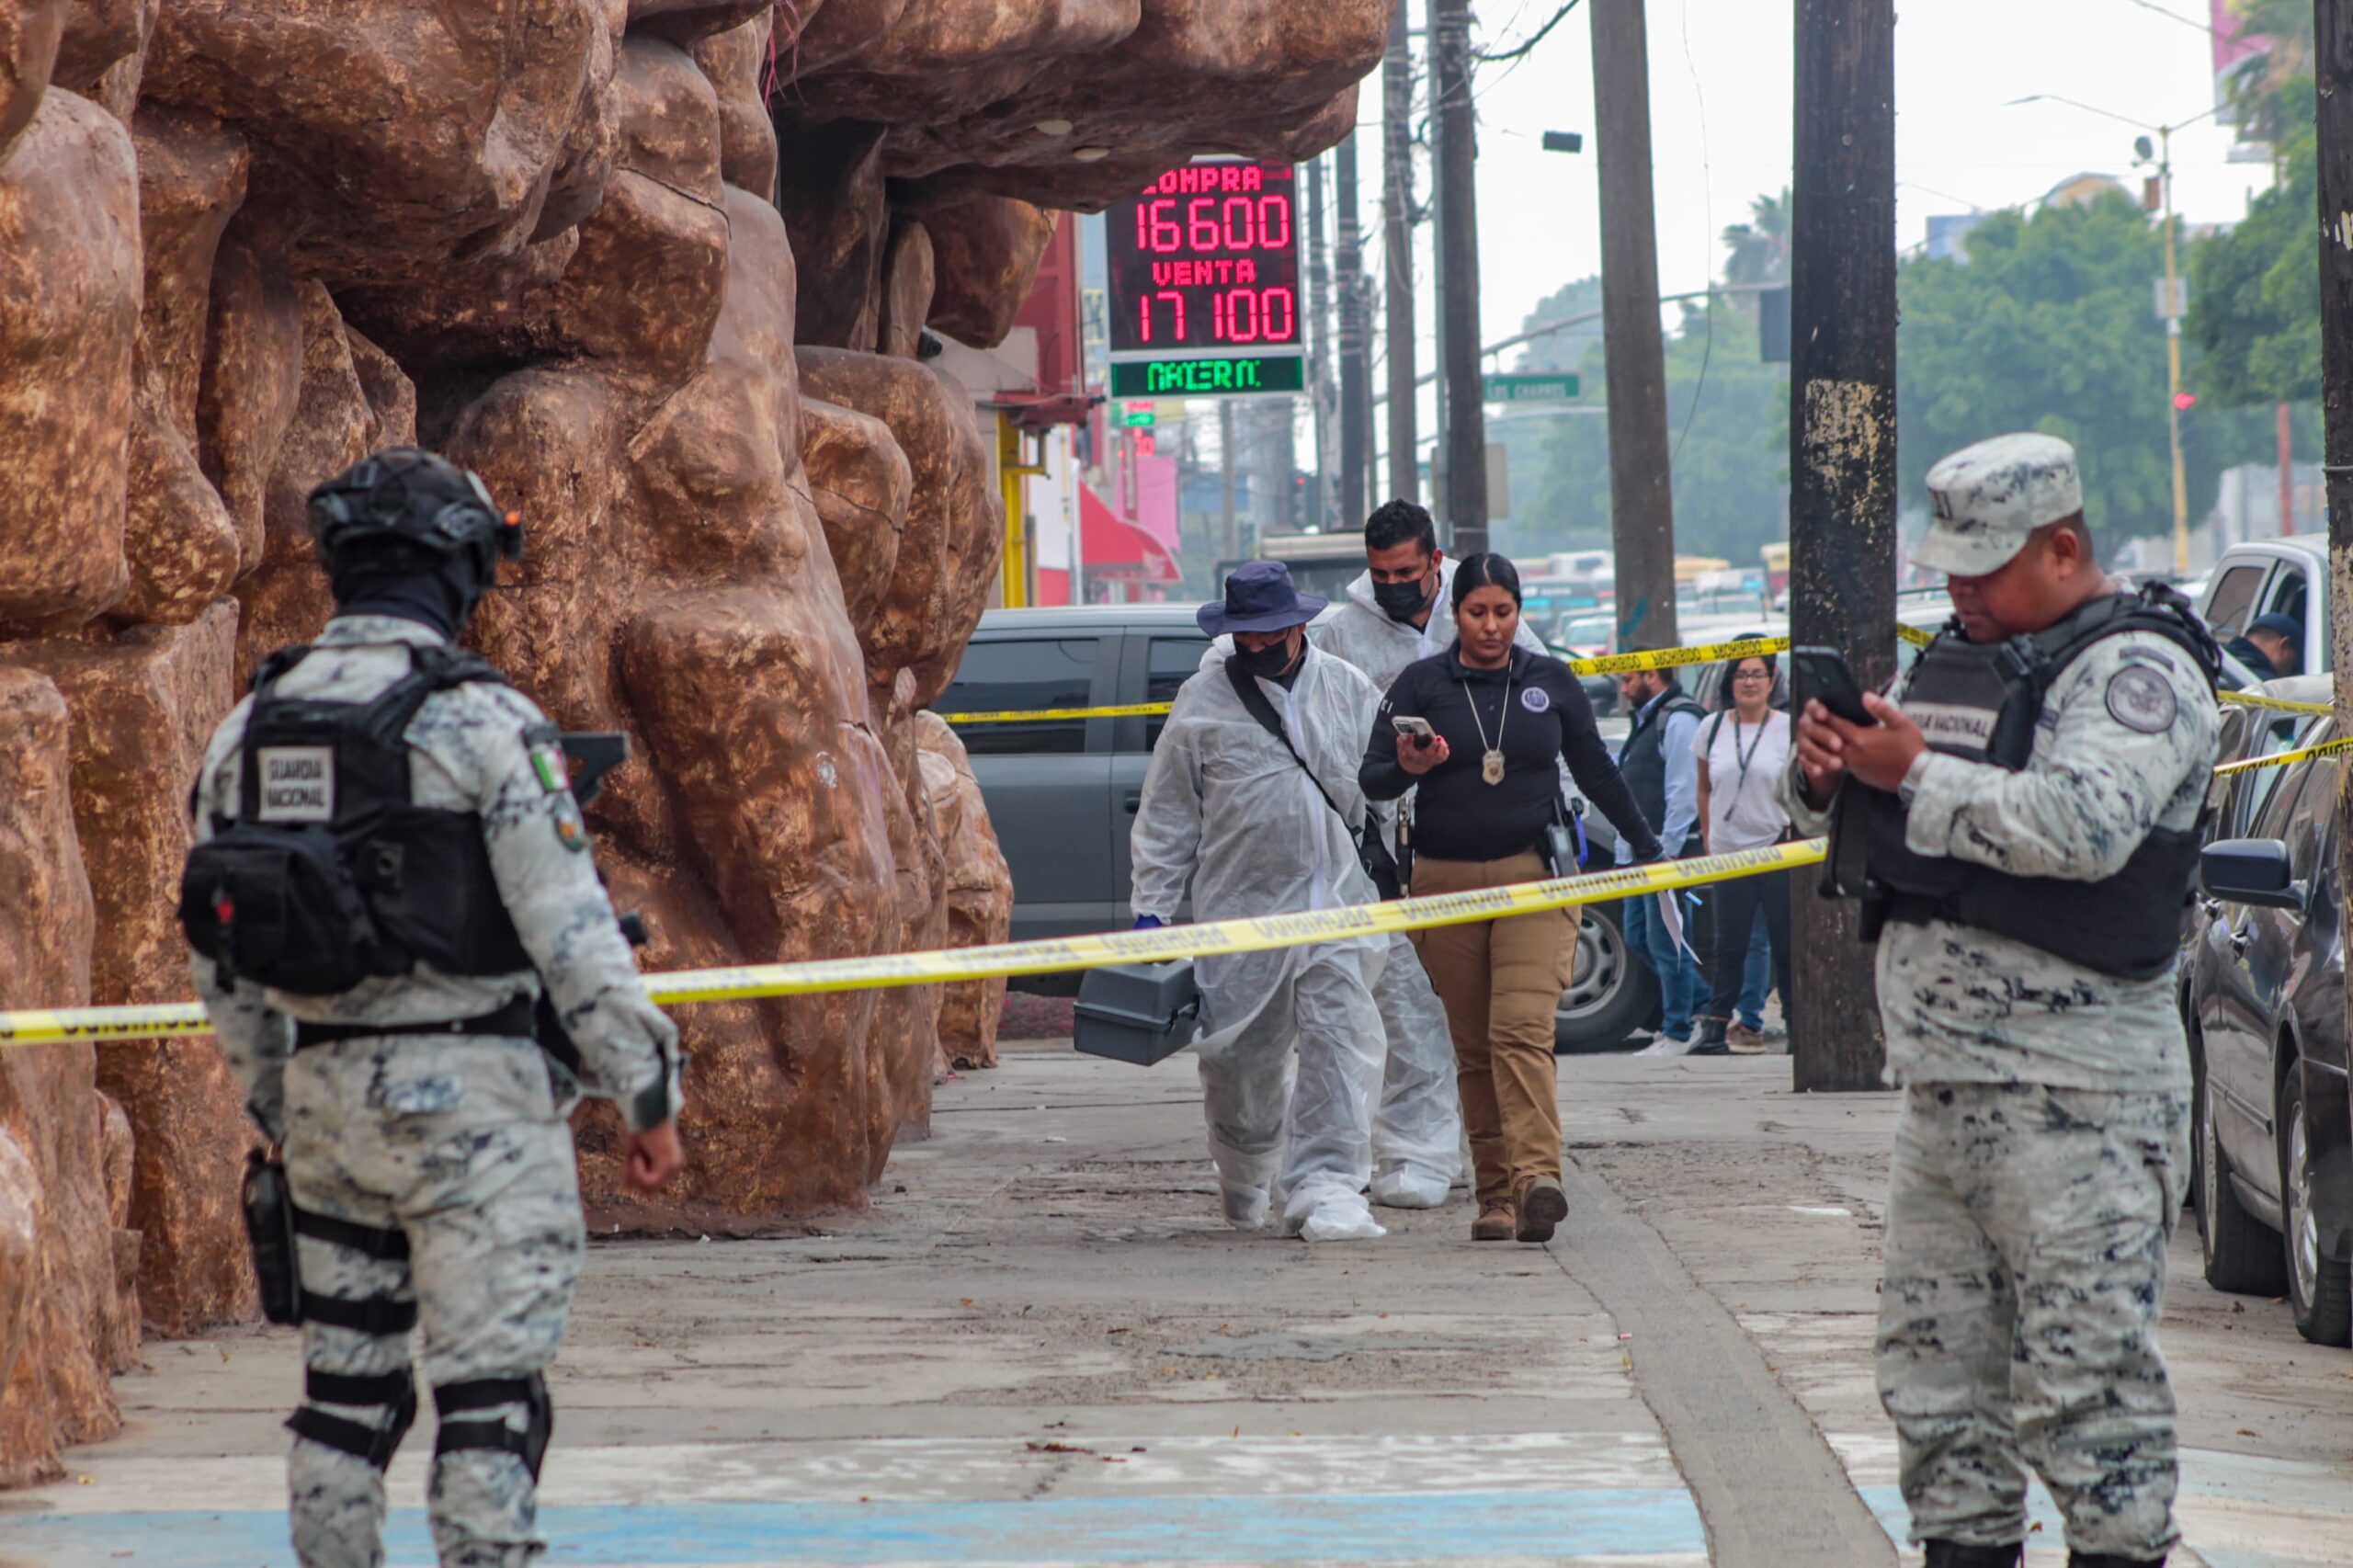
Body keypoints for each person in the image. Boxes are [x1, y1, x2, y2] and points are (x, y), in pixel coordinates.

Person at [184, 448, 686, 1568]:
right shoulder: (482, 725)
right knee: (489, 1400)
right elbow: (573, 933)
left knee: (342, 1403)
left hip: (321, 1107)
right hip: (479, 1113)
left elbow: (216, 946)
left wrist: (280, 1094)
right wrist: (645, 1091)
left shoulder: (248, 727)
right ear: (461, 569)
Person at [1781, 433, 2220, 1568]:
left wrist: (1911, 771)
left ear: (2062, 545)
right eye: (1951, 568)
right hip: (1945, 1099)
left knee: (2088, 1396)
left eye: (1982, 567)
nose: (1959, 589)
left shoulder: (2137, 672)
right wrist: (1830, 773)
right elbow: (1884, 815)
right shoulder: (1968, 659)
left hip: (2077, 1098)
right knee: (1938, 1395)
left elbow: (2079, 827)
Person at [1362, 554, 1665, 1244]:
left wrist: (1647, 848)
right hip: (1443, 883)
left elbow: (1597, 768)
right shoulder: (1422, 683)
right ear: (1456, 614)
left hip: (1535, 876)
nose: (1492, 627)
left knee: (1521, 1033)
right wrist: (1408, 765)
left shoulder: (1550, 681)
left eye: (1504, 612)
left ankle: (1537, 1179)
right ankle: (1494, 1196)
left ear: (1519, 611)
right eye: (1477, 613)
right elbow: (1372, 777)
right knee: (1473, 1047)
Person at [1131, 562, 1392, 1244]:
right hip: (1240, 912)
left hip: (1338, 903)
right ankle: (1245, 1173)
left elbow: (1386, 789)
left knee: (1341, 1044)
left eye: (1269, 632)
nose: (1257, 646)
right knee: (1241, 1063)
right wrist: (1152, 911)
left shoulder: (1346, 688)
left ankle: (1329, 1186)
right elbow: (1168, 815)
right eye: (1244, 635)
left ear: (1299, 624)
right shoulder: (1202, 702)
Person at [1307, 498, 1546, 1209]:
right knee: (1409, 1006)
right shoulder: (1341, 634)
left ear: (1435, 561)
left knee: (1486, 1013)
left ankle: (1495, 1151)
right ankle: (1416, 1152)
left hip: (1490, 836)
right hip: (1391, 850)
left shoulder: (1481, 616)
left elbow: (1547, 710)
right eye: (1380, 573)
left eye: (1406, 570)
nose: (1393, 584)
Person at [1691, 650, 1794, 1054]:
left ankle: (1795, 1026)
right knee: (1729, 944)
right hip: (1728, 850)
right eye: (1741, 675)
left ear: (1771, 681)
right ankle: (1717, 1029)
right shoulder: (1711, 727)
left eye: (1757, 675)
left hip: (1777, 847)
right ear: (1729, 682)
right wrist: (1707, 833)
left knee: (1785, 944)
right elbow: (1703, 786)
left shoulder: (1787, 728)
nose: (1749, 683)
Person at [1613, 659, 1710, 1053]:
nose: (1622, 688)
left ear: (1652, 676)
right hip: (1641, 852)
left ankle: (1679, 1029)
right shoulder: (1647, 719)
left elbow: (1684, 791)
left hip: (1663, 852)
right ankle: (1705, 1003)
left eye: (1628, 679)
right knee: (1638, 936)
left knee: (1666, 941)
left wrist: (1663, 851)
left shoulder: (1677, 720)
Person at [2224, 610, 2302, 681]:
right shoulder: (2267, 688)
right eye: (2294, 661)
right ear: (2284, 645)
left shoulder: (2221, 664)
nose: (2292, 671)